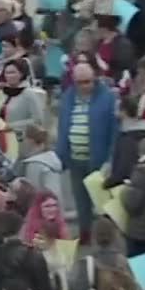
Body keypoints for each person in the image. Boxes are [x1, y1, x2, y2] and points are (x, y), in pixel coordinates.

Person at [56, 60, 117, 243]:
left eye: (88, 81)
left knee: (102, 202)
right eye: (80, 82)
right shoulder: (67, 98)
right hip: (75, 159)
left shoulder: (107, 98)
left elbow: (114, 132)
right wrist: (61, 153)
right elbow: (62, 127)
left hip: (99, 161)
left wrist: (111, 160)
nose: (84, 86)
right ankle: (85, 234)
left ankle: (106, 237)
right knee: (81, 200)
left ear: (95, 79)